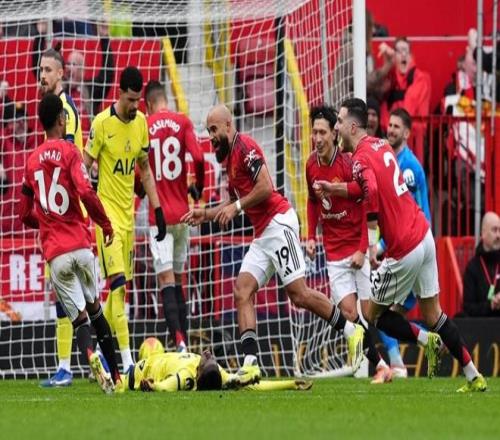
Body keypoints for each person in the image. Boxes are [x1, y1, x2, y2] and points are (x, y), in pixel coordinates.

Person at [182, 104, 365, 383]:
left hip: (278, 224)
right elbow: (234, 201)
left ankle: (352, 331)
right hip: (262, 233)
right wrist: (205, 214)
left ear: (229, 125)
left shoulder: (245, 148)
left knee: (298, 294)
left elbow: (266, 186)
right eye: (209, 131)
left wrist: (237, 207)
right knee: (242, 290)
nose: (212, 136)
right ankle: (251, 364)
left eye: (215, 130)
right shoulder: (229, 159)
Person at [315, 98, 487, 392]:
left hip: (404, 247)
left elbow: (369, 189)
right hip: (424, 235)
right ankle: (474, 375)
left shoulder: (359, 159)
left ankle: (425, 340)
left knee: (373, 315)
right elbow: (366, 185)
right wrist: (336, 189)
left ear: (352, 127)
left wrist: (372, 243)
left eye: (340, 122)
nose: (336, 127)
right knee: (434, 314)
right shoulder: (381, 146)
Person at [18, 93, 122, 393]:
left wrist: (46, 222)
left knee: (78, 320)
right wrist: (105, 223)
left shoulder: (31, 161)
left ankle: (90, 356)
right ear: (61, 120)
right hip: (80, 244)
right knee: (96, 311)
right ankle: (116, 377)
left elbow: (23, 213)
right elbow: (86, 192)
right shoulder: (70, 151)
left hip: (57, 255)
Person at [84, 66, 167, 373]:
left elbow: (145, 169)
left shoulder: (141, 122)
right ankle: (128, 361)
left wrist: (158, 210)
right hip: (106, 220)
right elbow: (84, 166)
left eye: (138, 100)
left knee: (120, 291)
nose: (135, 106)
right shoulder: (101, 124)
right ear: (120, 94)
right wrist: (85, 206)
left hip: (128, 218)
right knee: (118, 286)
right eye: (131, 100)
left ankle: (102, 347)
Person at [305, 105, 391, 384]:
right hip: (334, 253)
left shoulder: (348, 164)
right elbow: (312, 201)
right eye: (314, 132)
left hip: (356, 247)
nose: (317, 138)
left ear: (334, 134)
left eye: (322, 132)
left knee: (369, 314)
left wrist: (362, 249)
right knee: (349, 315)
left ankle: (417, 342)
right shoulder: (310, 165)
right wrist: (311, 236)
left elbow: (366, 203)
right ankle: (381, 366)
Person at [144, 80, 204, 352]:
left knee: (166, 281)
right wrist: (198, 187)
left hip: (159, 218)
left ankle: (179, 343)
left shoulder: (145, 126)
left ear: (148, 104)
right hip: (183, 215)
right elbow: (199, 158)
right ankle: (185, 344)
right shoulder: (183, 122)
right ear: (166, 99)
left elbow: (140, 175)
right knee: (179, 280)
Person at [37, 44, 85, 387]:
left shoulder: (64, 110)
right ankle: (71, 364)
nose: (42, 75)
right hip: (60, 213)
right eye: (41, 69)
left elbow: (66, 160)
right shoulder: (54, 108)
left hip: (66, 215)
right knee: (70, 291)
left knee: (73, 291)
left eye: (48, 70)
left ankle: (74, 365)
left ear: (61, 73)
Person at [376, 107, 432, 377]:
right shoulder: (392, 161)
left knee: (381, 310)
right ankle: (405, 357)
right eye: (390, 125)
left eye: (397, 126)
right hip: (407, 246)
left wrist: (380, 246)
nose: (391, 129)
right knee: (392, 312)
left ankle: (400, 361)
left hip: (410, 246)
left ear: (407, 133)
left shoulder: (408, 167)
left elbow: (403, 216)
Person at [128, 349, 312, 392]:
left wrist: (153, 386)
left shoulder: (186, 375)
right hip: (156, 360)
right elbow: (253, 386)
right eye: (212, 359)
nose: (208, 354)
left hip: (142, 369)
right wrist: (290, 384)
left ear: (198, 373)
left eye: (206, 360)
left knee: (119, 381)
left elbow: (168, 385)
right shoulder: (219, 374)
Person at [368, 37, 431, 161]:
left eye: (406, 51)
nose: (403, 55)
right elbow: (372, 90)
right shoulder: (389, 77)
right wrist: (387, 64)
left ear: (411, 55)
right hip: (388, 138)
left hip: (412, 141)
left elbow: (408, 109)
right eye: (399, 51)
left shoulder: (421, 78)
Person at [463, 212, 500, 317]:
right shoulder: (472, 267)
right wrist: (491, 305)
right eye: (494, 230)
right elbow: (468, 308)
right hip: (481, 325)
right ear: (483, 233)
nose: (498, 235)